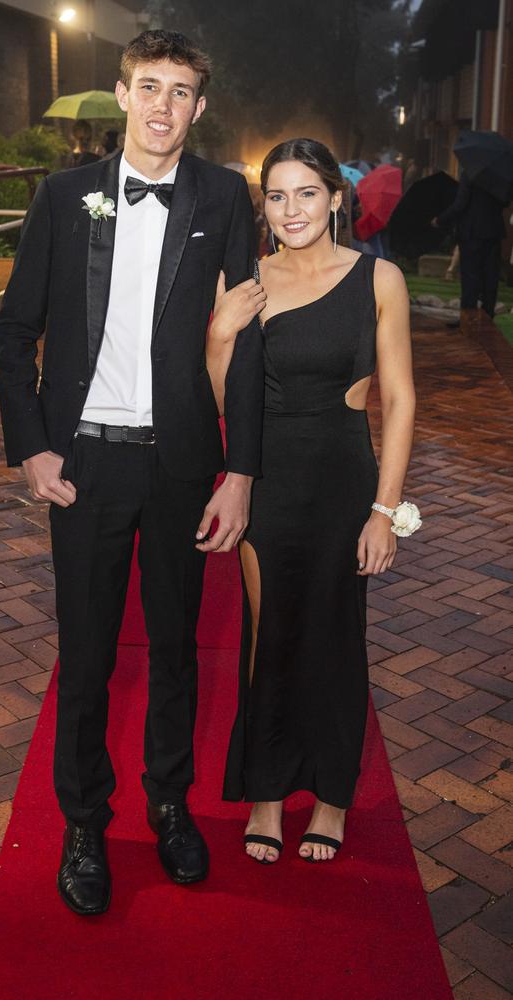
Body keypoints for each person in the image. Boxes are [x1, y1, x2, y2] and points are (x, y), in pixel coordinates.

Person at [0, 30, 264, 915]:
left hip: (186, 465)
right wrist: (32, 445)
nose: (162, 107)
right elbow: (12, 335)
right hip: (87, 465)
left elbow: (245, 341)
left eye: (181, 92)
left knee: (179, 650)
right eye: (149, 87)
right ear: (120, 93)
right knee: (88, 654)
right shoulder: (64, 196)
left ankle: (169, 806)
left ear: (199, 106)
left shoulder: (225, 197)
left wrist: (240, 471)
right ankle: (83, 822)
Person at [206, 137, 418, 865]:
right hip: (269, 482)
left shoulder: (378, 278)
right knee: (271, 641)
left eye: (305, 193)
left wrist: (384, 511)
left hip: (342, 479)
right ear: (262, 205)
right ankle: (266, 793)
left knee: (334, 637)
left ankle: (330, 797)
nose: (290, 209)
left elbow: (400, 397)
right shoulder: (249, 281)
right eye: (276, 194)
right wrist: (219, 333)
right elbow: (223, 401)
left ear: (335, 198)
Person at [433, 171, 509, 317]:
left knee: (470, 278)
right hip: (493, 231)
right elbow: (505, 201)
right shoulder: (502, 175)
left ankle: (468, 319)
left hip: (471, 231)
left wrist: (440, 219)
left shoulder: (470, 173)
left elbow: (460, 204)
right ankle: (488, 318)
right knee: (490, 279)